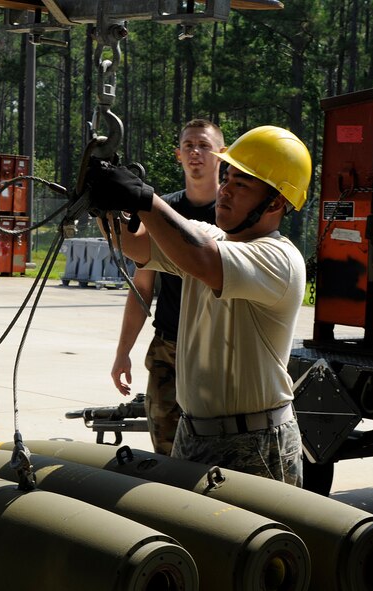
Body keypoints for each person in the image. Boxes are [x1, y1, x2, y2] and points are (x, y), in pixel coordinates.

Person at [88, 125, 311, 486]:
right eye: (228, 178)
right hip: (192, 435)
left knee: (254, 541)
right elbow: (138, 245)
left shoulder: (280, 258)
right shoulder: (208, 237)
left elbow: (203, 260)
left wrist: (143, 197)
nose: (225, 190)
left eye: (242, 184)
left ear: (276, 202)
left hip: (255, 443)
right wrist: (104, 202)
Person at [111, 119, 224, 455]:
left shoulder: (232, 213)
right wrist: (123, 353)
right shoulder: (162, 212)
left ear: (222, 154)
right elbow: (142, 286)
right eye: (188, 146)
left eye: (204, 145)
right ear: (178, 154)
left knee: (217, 450)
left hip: (217, 349)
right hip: (169, 345)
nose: (195, 153)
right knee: (166, 449)